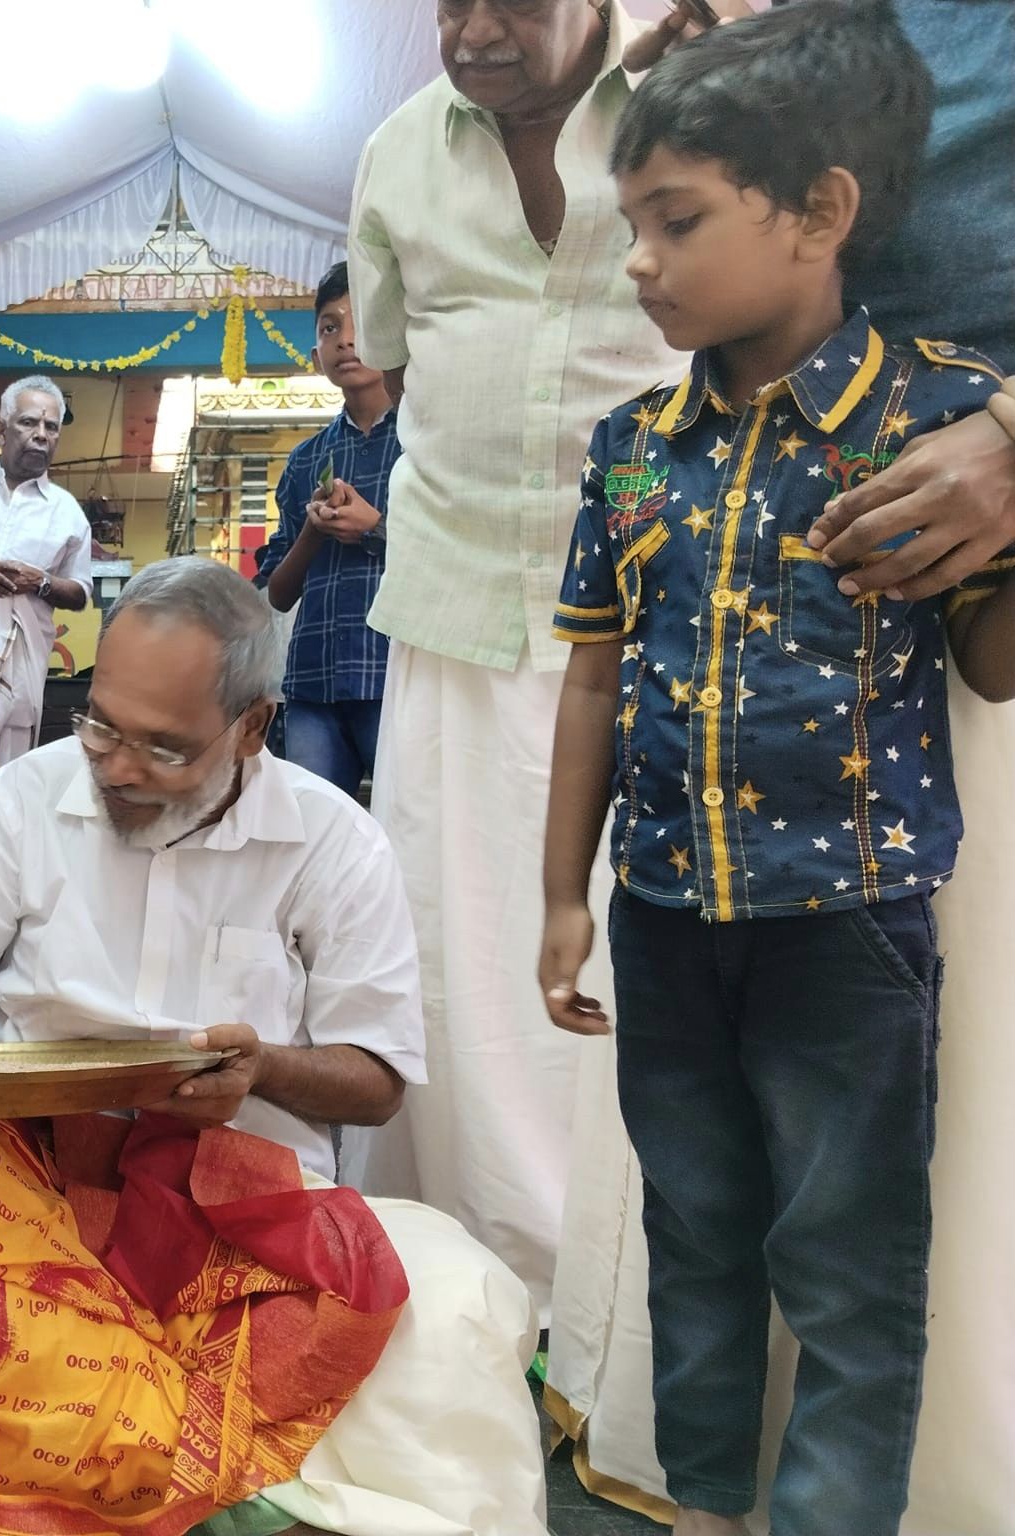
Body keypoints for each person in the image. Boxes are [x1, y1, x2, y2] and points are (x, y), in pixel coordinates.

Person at [0, 557, 551, 1536]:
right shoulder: (27, 796)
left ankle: (17, 1455)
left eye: (163, 748)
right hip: (21, 1177)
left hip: (233, 1197)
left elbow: (375, 1079)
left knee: (441, 1320)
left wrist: (259, 1068)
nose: (117, 767)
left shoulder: (332, 843)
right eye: (98, 724)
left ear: (253, 728)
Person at [540, 11, 1015, 1534]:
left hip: (851, 927)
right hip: (666, 917)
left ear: (819, 213)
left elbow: (990, 663)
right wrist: (565, 895)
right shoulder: (631, 448)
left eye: (677, 222)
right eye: (633, 226)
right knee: (696, 1235)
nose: (639, 264)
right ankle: (702, 1506)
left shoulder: (935, 418)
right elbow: (595, 674)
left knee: (849, 1260)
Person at [338, 0, 687, 1312]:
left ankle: (630, 1305)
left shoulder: (696, 81)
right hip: (460, 601)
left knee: (634, 957)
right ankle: (484, 1292)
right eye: (452, 3)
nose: (480, 31)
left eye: (520, 4)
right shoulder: (396, 150)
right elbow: (386, 343)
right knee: (456, 953)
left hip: (668, 607)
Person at [254, 262, 398, 798]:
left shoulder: (423, 447)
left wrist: (374, 529)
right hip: (313, 680)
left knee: (403, 828)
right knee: (312, 833)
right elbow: (278, 593)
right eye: (330, 327)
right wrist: (313, 533)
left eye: (360, 323)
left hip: (396, 676)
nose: (345, 339)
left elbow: (455, 556)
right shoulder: (305, 460)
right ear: (316, 356)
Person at [0, 376, 93, 764]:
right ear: (1, 429)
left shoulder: (66, 511)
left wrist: (42, 582)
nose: (41, 435)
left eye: (51, 427)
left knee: (6, 779)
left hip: (20, 672)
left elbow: (81, 593)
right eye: (29, 422)